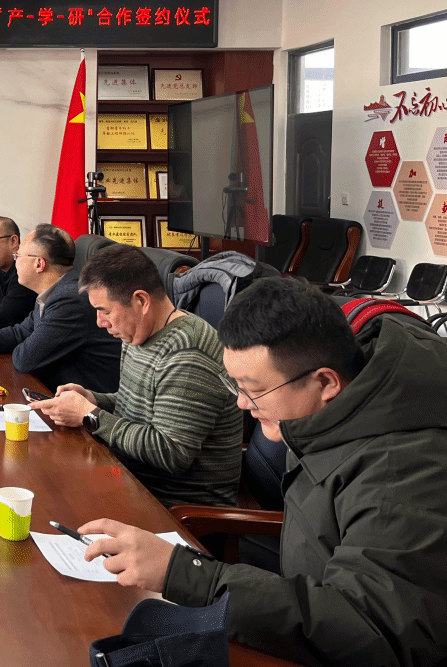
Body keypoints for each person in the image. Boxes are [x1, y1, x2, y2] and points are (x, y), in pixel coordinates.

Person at [78, 278, 447, 667]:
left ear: (325, 382)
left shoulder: (402, 473)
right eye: (236, 385)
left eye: (253, 389)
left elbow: (375, 628)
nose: (242, 403)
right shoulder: (325, 416)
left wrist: (189, 575)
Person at [31, 244, 242, 507]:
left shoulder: (187, 354)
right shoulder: (139, 332)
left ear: (141, 301)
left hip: (172, 505)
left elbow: (171, 453)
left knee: (52, 500)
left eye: (105, 310)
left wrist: (89, 415)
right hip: (130, 479)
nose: (99, 322)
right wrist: (92, 399)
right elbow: (135, 406)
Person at [0, 224, 121, 393]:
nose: (15, 261)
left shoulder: (69, 300)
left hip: (83, 400)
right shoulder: (52, 291)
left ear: (39, 264)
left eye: (18, 256)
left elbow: (25, 359)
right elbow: (21, 332)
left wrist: (27, 343)